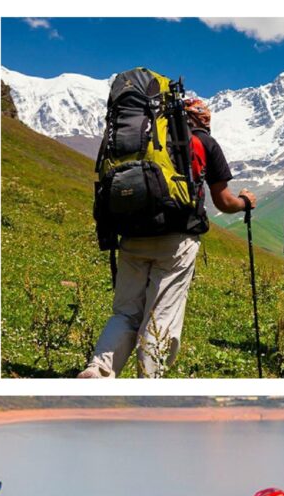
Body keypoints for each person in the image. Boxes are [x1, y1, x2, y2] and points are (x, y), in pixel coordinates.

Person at [78, 98, 256, 379]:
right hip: (176, 239)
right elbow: (224, 202)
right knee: (160, 317)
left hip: (132, 234)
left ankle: (98, 371)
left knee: (125, 312)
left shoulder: (143, 141)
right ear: (203, 120)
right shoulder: (203, 143)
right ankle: (148, 383)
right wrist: (245, 201)